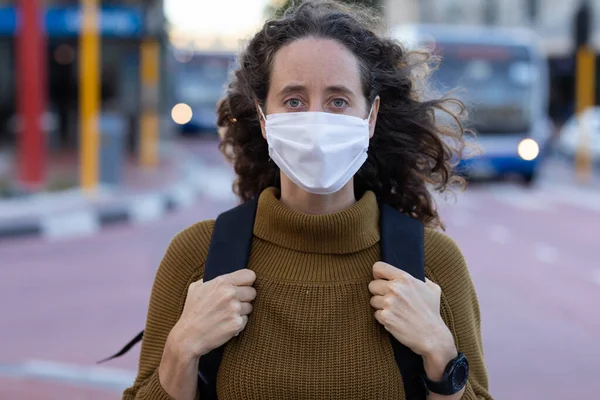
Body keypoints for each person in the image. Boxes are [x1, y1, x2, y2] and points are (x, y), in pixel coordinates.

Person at [123, 1, 492, 399]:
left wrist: (440, 351)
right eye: (294, 101)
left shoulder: (432, 264)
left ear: (370, 117)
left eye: (338, 101)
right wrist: (182, 349)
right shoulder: (197, 256)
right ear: (264, 118)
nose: (317, 122)